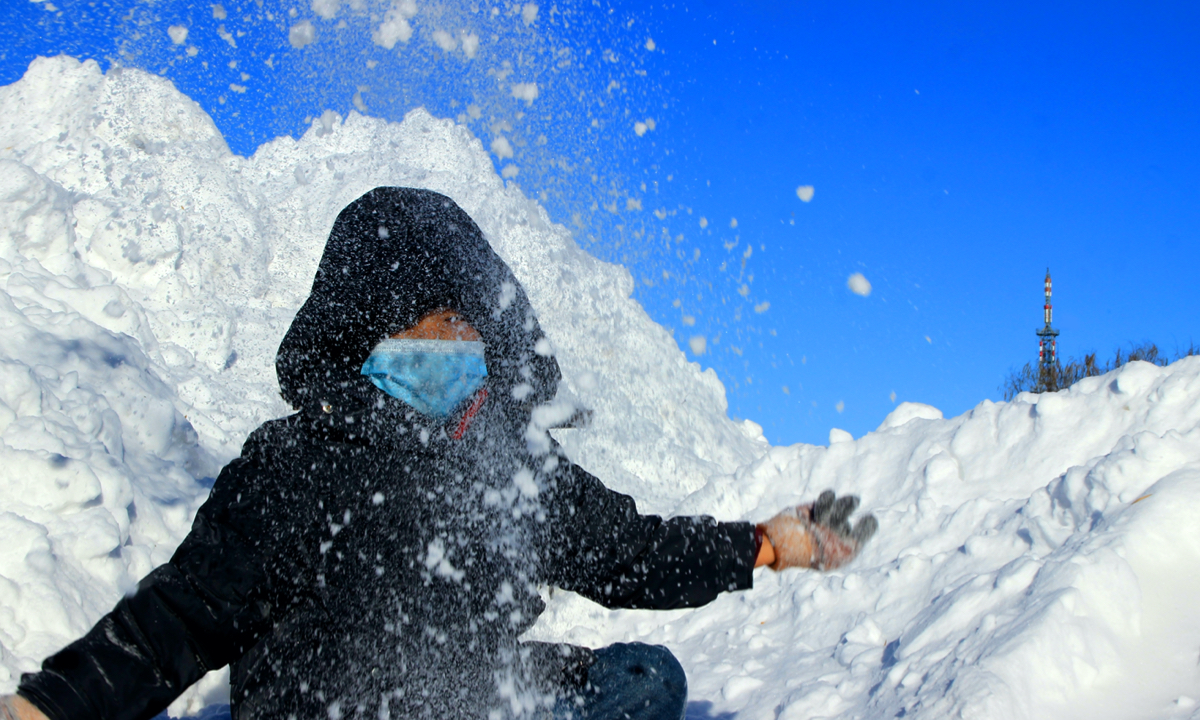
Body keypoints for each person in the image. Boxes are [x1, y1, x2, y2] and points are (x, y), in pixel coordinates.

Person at [0, 188, 876, 720]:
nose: (447, 345)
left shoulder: (509, 469)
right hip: (327, 709)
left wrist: (765, 543)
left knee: (644, 679)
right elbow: (176, 622)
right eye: (418, 327)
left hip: (467, 697)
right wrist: (46, 708)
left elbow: (629, 551)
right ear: (360, 336)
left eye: (461, 324)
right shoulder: (299, 464)